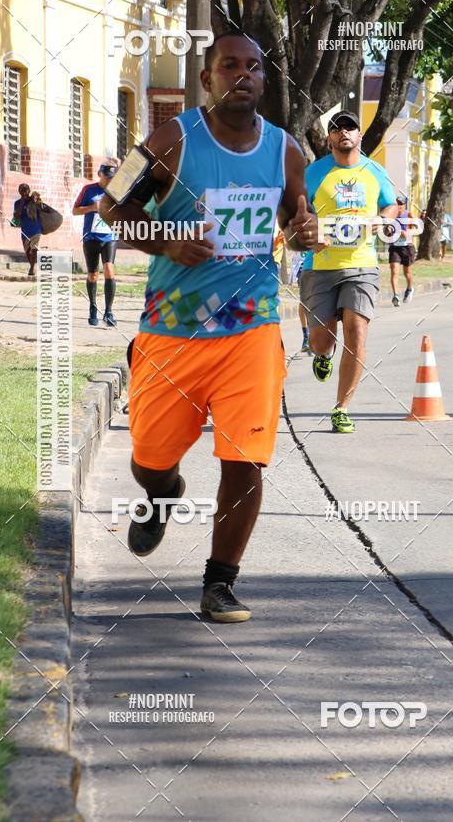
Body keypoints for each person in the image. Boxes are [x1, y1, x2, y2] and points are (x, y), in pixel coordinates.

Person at [99, 31, 318, 623]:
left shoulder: (285, 151)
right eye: (229, 66)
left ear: (264, 81)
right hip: (171, 332)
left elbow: (298, 221)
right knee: (149, 457)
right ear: (208, 79)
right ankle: (163, 491)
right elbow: (110, 206)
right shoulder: (170, 139)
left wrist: (303, 234)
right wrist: (166, 239)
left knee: (244, 459)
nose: (241, 75)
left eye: (253, 67)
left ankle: (219, 583)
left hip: (251, 330)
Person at [299, 110, 397, 434]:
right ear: (329, 137)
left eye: (350, 127)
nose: (344, 132)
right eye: (337, 128)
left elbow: (392, 204)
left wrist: (383, 219)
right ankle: (322, 356)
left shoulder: (374, 171)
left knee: (356, 332)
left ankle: (342, 408)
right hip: (320, 267)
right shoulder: (314, 173)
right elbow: (298, 212)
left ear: (359, 135)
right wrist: (310, 234)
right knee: (321, 341)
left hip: (362, 265)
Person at [73, 163, 119, 326]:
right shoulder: (89, 190)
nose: (109, 181)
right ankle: (93, 308)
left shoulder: (118, 191)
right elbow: (75, 210)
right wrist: (92, 208)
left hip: (110, 236)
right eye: (107, 177)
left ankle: (109, 312)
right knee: (93, 274)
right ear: (100, 174)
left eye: (112, 178)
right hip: (91, 238)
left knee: (109, 269)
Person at [389, 196, 417, 306]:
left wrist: (408, 233)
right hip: (395, 246)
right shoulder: (391, 215)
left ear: (405, 205)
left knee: (407, 273)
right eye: (397, 204)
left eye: (401, 204)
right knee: (394, 271)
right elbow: (388, 229)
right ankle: (395, 295)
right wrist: (390, 230)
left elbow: (417, 228)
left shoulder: (409, 214)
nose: (399, 206)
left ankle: (409, 289)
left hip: (407, 247)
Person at [12, 183, 42, 276]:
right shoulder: (17, 203)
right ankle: (32, 265)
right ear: (19, 192)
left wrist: (38, 200)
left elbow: (40, 207)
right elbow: (16, 215)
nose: (23, 192)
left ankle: (32, 268)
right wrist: (21, 203)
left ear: (29, 191)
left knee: (33, 249)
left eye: (25, 190)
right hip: (25, 230)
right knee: (27, 250)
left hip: (35, 229)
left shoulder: (33, 200)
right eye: (21, 190)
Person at [290, 252, 312, 353]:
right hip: (304, 266)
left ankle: (313, 335)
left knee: (314, 301)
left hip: (322, 266)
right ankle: (306, 336)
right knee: (304, 300)